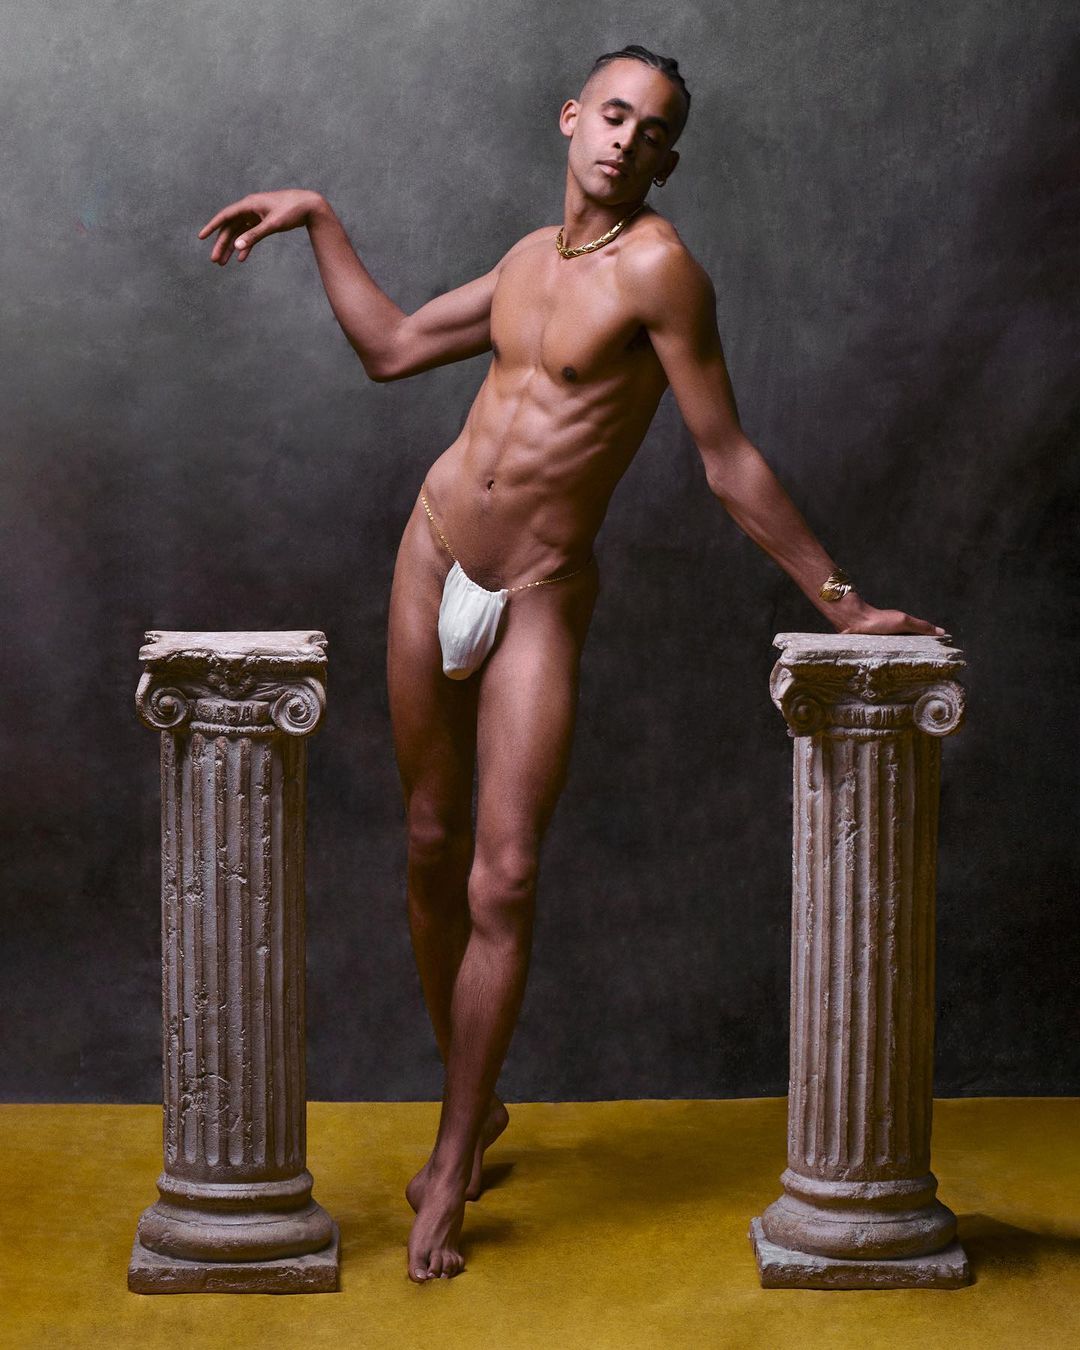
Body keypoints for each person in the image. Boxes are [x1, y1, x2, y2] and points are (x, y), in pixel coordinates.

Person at [199, 44, 945, 1283]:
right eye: (612, 114)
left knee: (503, 876)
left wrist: (845, 602)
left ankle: (452, 1159)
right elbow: (390, 347)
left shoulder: (662, 273)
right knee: (428, 846)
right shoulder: (524, 264)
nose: (625, 140)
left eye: (652, 131)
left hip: (540, 591)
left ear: (667, 159)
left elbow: (725, 459)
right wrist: (319, 216)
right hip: (434, 548)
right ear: (570, 119)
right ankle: (476, 1102)